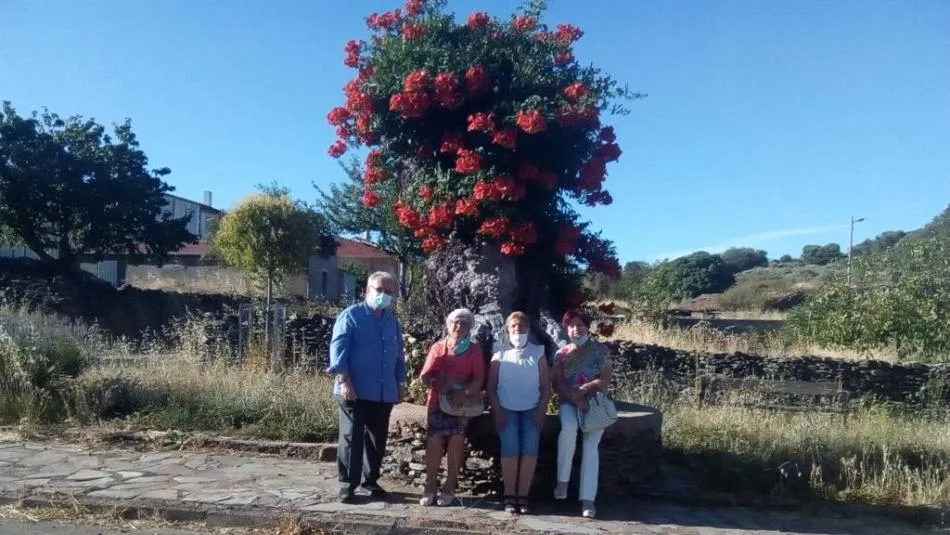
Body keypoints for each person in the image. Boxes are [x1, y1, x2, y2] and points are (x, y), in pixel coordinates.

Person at [327, 271, 406, 504]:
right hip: (353, 388)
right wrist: (344, 380)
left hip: (383, 390)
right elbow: (338, 350)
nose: (384, 295)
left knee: (376, 438)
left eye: (389, 292)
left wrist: (399, 383)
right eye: (379, 290)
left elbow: (398, 355)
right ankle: (347, 485)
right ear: (367, 291)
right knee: (352, 436)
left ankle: (370, 480)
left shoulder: (391, 321)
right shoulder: (351, 316)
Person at [418, 308, 486, 506]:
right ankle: (430, 486)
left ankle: (449, 486)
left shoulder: (474, 350)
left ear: (469, 327)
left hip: (461, 402)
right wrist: (436, 383)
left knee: (456, 440)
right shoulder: (438, 347)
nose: (459, 326)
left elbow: (479, 378)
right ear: (448, 325)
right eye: (455, 322)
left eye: (464, 323)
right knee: (435, 441)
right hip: (438, 401)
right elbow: (425, 375)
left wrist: (463, 393)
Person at [487, 311, 551, 515]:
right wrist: (497, 411)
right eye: (514, 326)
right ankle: (509, 495)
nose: (518, 330)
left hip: (532, 410)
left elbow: (546, 386)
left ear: (528, 329)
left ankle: (523, 495)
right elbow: (491, 387)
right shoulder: (499, 355)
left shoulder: (538, 352)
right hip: (507, 410)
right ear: (507, 329)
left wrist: (541, 411)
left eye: (522, 326)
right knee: (510, 450)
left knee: (529, 451)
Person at [552, 308, 613, 519]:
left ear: (587, 327)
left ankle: (588, 499)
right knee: (568, 428)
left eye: (580, 325)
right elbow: (557, 382)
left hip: (595, 403)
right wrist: (574, 397)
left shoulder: (600, 350)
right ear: (566, 329)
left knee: (590, 445)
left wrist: (584, 391)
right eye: (571, 326)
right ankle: (562, 481)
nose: (576, 329)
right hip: (569, 402)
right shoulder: (561, 353)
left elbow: (605, 378)